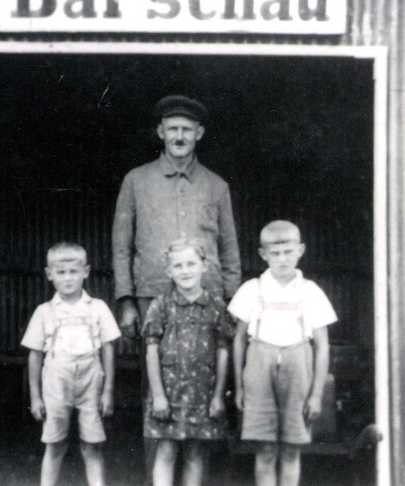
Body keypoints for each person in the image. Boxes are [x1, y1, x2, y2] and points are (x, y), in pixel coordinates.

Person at [112, 94, 241, 338]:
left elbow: (229, 248)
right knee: (154, 370)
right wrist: (126, 300)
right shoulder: (136, 180)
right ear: (161, 132)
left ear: (199, 133)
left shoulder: (217, 185)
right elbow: (121, 247)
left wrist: (231, 298)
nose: (179, 137)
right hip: (152, 293)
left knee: (208, 369)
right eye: (172, 129)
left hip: (207, 294)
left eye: (186, 130)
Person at [229, 220, 337, 486]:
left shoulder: (311, 292)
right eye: (275, 254)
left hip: (298, 371)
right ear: (263, 254)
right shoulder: (251, 289)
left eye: (288, 252)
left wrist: (316, 394)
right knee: (265, 450)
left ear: (300, 250)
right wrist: (240, 388)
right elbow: (239, 341)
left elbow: (322, 346)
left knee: (291, 449)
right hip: (259, 372)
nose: (282, 259)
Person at [21, 242, 121, 486]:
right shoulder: (44, 312)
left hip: (91, 381)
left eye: (74, 271)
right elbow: (34, 355)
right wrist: (35, 397)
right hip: (56, 381)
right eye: (61, 272)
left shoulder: (97, 308)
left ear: (86, 272)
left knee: (92, 444)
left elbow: (108, 348)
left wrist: (107, 391)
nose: (67, 279)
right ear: (49, 275)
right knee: (54, 444)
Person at [142, 238, 235, 486]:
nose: (185, 271)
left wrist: (217, 397)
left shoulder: (216, 307)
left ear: (204, 266)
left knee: (195, 453)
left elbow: (223, 351)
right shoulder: (160, 306)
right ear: (168, 271)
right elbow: (151, 352)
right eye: (178, 266)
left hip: (202, 395)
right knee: (167, 451)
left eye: (191, 263)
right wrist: (158, 396)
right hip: (169, 394)